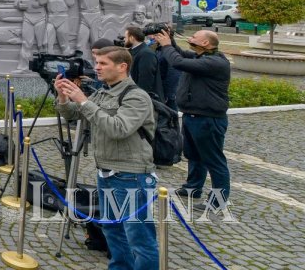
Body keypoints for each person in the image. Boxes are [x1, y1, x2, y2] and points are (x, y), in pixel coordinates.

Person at [55, 46, 157, 270]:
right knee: (113, 229)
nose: (97, 68)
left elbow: (118, 129)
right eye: (97, 63)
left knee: (138, 236)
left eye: (103, 63)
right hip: (107, 172)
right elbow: (73, 114)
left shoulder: (136, 96)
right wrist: (63, 96)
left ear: (122, 67)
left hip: (132, 175)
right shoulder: (103, 92)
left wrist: (84, 100)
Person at [153, 28, 231, 204]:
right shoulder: (200, 57)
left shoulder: (216, 63)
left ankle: (218, 202)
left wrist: (166, 45)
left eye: (194, 36)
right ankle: (192, 189)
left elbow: (178, 62)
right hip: (192, 116)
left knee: (214, 161)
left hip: (208, 119)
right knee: (194, 156)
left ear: (205, 43)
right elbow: (180, 53)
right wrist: (170, 40)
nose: (190, 37)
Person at [123, 25, 163, 101]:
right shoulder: (135, 51)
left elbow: (145, 81)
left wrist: (137, 99)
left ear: (132, 38)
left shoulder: (146, 54)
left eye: (125, 37)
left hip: (146, 100)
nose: (124, 39)